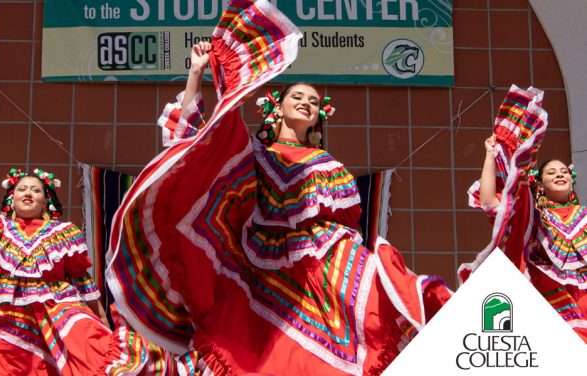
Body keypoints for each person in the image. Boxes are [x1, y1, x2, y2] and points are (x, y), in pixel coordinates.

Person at [105, 1, 451, 375]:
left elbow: (346, 226)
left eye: (314, 101)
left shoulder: (327, 164)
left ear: (319, 115)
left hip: (322, 263)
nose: (306, 103)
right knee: (267, 355)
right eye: (298, 97)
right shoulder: (255, 154)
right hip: (261, 266)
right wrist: (197, 73)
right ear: (277, 107)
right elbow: (194, 141)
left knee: (377, 305)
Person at [0, 126, 166, 375]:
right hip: (3, 316)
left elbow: (83, 282)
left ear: (46, 200)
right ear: (11, 199)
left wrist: (101, 321)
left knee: (93, 350)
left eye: (36, 190)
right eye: (22, 189)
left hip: (56, 312)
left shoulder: (63, 233)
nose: (28, 193)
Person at [459, 85, 587, 342]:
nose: (559, 174)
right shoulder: (534, 213)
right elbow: (492, 203)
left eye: (563, 172)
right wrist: (489, 156)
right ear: (540, 185)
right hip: (548, 296)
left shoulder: (584, 217)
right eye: (551, 172)